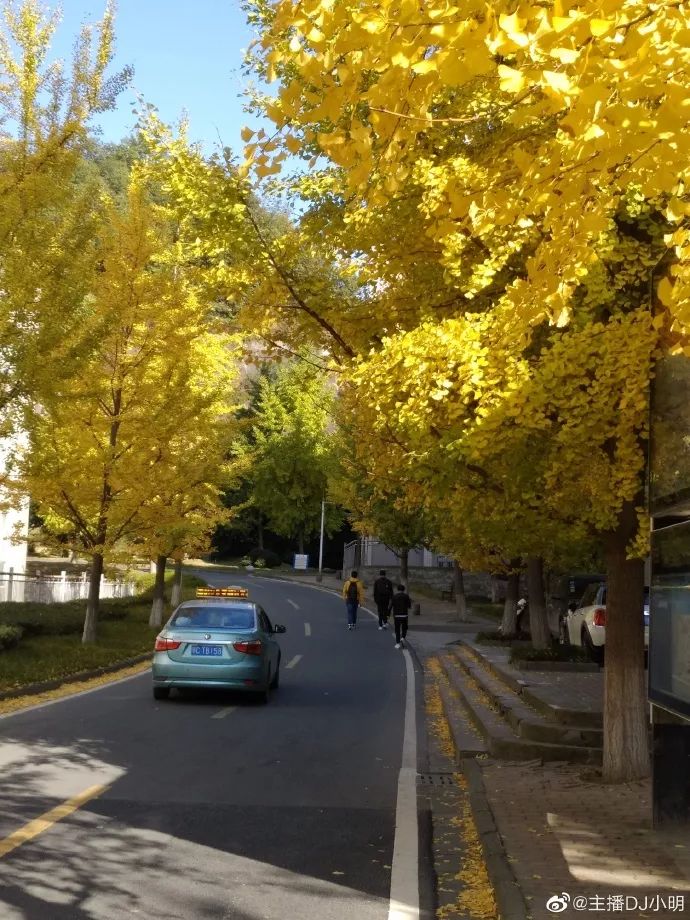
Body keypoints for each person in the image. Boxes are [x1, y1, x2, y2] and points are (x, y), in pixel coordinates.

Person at [391, 583, 412, 649]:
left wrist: (388, 614)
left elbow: (391, 605)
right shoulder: (406, 596)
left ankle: (397, 643)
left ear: (397, 589)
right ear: (404, 589)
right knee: (404, 627)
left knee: (397, 629)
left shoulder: (394, 596)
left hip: (396, 615)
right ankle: (403, 637)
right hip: (404, 615)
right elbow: (409, 606)